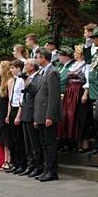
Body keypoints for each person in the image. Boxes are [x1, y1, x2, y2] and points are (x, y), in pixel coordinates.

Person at [33, 48, 61, 182]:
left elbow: (53, 97)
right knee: (44, 144)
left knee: (50, 145)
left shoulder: (52, 72)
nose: (36, 60)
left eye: (37, 57)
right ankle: (46, 170)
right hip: (41, 115)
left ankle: (52, 171)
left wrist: (49, 116)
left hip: (47, 116)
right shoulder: (43, 72)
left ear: (43, 57)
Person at [58, 46, 85, 152]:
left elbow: (63, 80)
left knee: (71, 116)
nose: (75, 54)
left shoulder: (82, 65)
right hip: (69, 92)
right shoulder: (66, 66)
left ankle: (72, 142)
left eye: (76, 53)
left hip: (75, 92)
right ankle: (65, 141)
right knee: (65, 117)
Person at [19, 59, 43, 177]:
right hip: (25, 112)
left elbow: (35, 92)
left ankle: (38, 166)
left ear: (33, 66)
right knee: (27, 143)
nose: (24, 67)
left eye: (26, 65)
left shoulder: (38, 78)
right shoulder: (27, 78)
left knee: (35, 143)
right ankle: (30, 165)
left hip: (33, 112)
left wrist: (27, 81)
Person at [5, 60, 27, 174]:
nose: (11, 70)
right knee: (13, 139)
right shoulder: (13, 81)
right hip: (12, 109)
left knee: (19, 139)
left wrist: (18, 115)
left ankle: (22, 163)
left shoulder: (22, 80)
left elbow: (21, 98)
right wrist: (8, 115)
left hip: (18, 109)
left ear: (19, 68)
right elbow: (10, 99)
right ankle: (16, 162)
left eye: (13, 68)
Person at [0, 61, 13, 171]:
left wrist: (8, 115)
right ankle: (5, 159)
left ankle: (9, 160)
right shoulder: (2, 82)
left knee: (7, 136)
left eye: (0, 68)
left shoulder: (9, 82)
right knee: (3, 135)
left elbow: (10, 100)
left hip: (6, 110)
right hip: (2, 110)